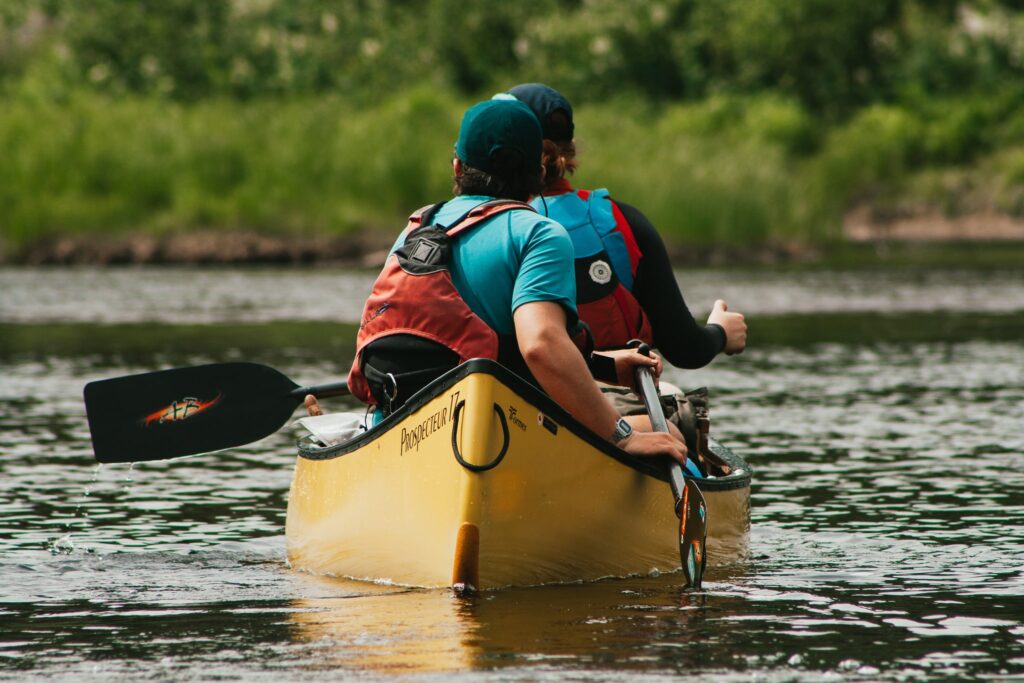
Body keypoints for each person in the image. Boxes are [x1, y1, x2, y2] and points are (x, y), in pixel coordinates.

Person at [309, 98, 688, 465]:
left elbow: (486, 347)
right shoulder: (540, 233)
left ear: (457, 167)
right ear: (539, 173)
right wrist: (623, 435)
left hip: (404, 424)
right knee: (670, 432)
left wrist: (599, 366)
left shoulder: (421, 222)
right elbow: (539, 344)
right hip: (495, 430)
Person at [501, 84, 748, 475]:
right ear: (567, 151)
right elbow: (685, 348)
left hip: (507, 404)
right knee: (678, 417)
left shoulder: (474, 224)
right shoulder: (621, 223)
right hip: (614, 406)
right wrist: (720, 332)